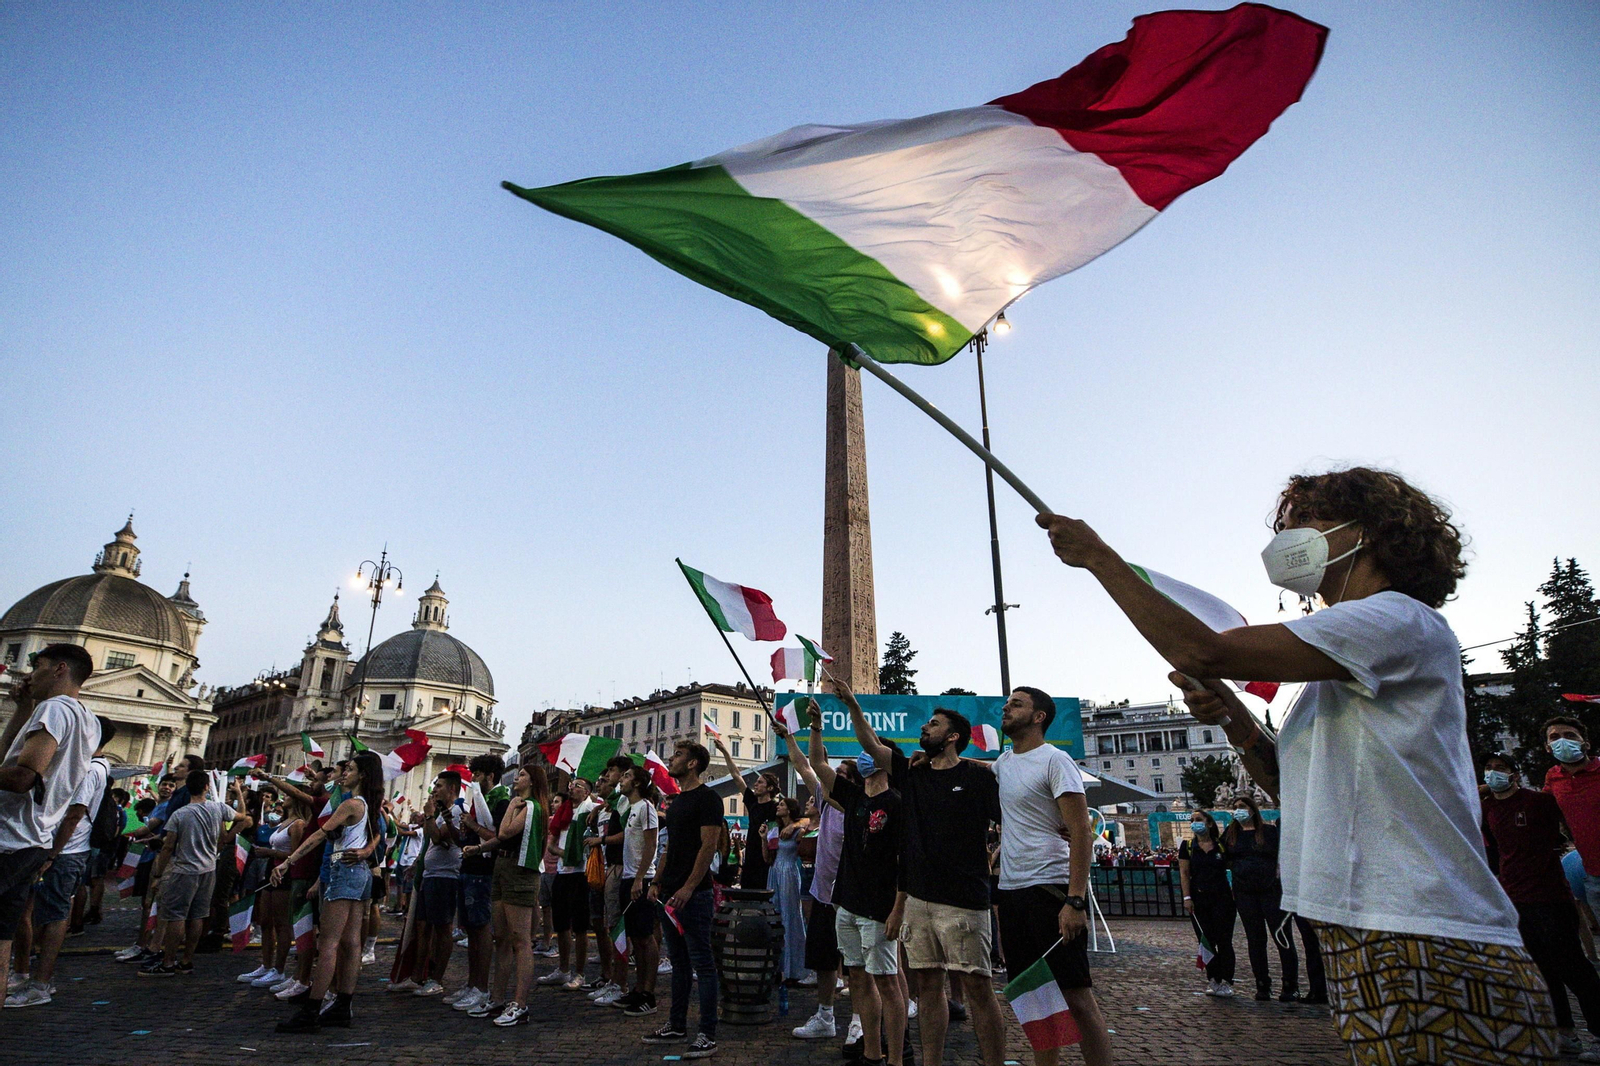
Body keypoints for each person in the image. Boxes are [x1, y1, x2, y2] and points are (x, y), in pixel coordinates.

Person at [1039, 466, 1556, 1063]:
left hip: (1423, 924)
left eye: (1301, 523)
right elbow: (1287, 783)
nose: (1284, 539)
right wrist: (1230, 712)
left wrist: (1102, 559)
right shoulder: (1340, 663)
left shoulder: (1395, 617)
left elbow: (1203, 648)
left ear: (1369, 530)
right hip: (1365, 923)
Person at [839, 676, 1005, 1066]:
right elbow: (870, 745)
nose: (924, 728)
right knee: (928, 987)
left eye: (933, 724)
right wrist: (852, 705)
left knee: (979, 988)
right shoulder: (913, 774)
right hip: (918, 898)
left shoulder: (978, 777)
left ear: (952, 737)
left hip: (964, 900)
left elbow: (1008, 819)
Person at [990, 687, 1113, 1066]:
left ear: (1039, 716)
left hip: (1051, 888)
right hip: (1012, 890)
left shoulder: (1056, 761)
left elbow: (1081, 831)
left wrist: (1075, 900)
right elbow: (981, 769)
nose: (1006, 708)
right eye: (1008, 703)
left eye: (1017, 704)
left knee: (1076, 995)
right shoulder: (1004, 762)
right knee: (1034, 996)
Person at [807, 699, 907, 1066]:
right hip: (846, 902)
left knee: (888, 983)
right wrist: (816, 728)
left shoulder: (897, 803)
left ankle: (895, 1057)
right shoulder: (851, 797)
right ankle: (872, 1052)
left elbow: (905, 862)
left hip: (879, 907)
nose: (863, 756)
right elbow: (818, 764)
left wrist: (898, 908)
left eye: (871, 749)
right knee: (858, 980)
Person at [1482, 752, 1600, 1061]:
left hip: (1549, 897)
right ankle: (1564, 1032)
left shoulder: (1539, 803)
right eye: (1489, 769)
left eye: (1501, 768)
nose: (1494, 774)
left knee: (1573, 968)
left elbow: (1567, 828)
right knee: (1541, 971)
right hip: (1516, 899)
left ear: (1515, 773)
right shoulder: (1488, 807)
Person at [4, 715, 114, 1007]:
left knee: (52, 915)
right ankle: (25, 971)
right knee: (31, 910)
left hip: (64, 852)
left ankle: (40, 983)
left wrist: (52, 854)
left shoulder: (90, 769)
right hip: (57, 849)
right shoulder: (95, 766)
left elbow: (74, 814)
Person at [270, 751, 383, 1031]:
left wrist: (288, 861)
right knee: (351, 941)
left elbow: (319, 834)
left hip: (343, 869)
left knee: (329, 942)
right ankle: (343, 1005)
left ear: (362, 775)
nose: (344, 772)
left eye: (351, 769)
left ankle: (312, 1009)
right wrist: (369, 849)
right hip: (359, 873)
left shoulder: (351, 804)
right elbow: (379, 832)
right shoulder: (369, 804)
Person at [644, 740, 723, 1059]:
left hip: (694, 894)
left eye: (677, 755)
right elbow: (669, 847)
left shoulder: (708, 799)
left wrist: (689, 887)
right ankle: (676, 1024)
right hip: (668, 892)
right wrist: (658, 881)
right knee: (679, 962)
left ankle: (707, 1033)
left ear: (692, 764)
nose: (671, 759)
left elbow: (708, 847)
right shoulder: (675, 803)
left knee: (703, 963)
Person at [776, 710, 848, 1043]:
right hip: (823, 892)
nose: (830, 777)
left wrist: (815, 728)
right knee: (823, 958)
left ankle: (862, 1019)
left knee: (861, 965)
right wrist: (790, 736)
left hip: (852, 894)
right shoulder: (825, 800)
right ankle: (826, 1015)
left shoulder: (859, 807)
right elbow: (806, 764)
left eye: (841, 774)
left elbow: (814, 763)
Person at [140, 770, 252, 977]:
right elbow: (243, 817)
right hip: (208, 870)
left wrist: (157, 875)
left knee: (176, 917)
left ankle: (168, 962)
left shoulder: (180, 814)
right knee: (198, 916)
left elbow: (167, 847)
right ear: (207, 787)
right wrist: (238, 795)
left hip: (184, 870)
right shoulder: (217, 808)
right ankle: (186, 961)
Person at [476, 761, 549, 1026]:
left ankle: (520, 1003)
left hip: (520, 869)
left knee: (520, 939)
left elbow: (505, 832)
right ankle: (497, 998)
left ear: (532, 782)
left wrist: (510, 806)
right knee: (501, 937)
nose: (516, 779)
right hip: (503, 866)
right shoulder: (522, 805)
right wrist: (477, 849)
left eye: (521, 775)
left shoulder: (530, 807)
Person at [1224, 793, 1301, 1002]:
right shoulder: (1231, 834)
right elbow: (1224, 857)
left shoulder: (1268, 832)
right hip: (1245, 892)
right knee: (1255, 940)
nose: (1238, 810)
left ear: (1252, 809)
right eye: (1235, 806)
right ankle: (1262, 984)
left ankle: (1290, 985)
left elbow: (1283, 853)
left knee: (1281, 937)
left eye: (1242, 806)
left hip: (1271, 890)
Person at [451, 753, 507, 1013]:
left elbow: (498, 837)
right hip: (470, 866)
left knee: (481, 929)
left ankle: (481, 987)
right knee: (471, 930)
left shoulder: (500, 801)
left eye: (477, 774)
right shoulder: (479, 799)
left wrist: (472, 825)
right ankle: (472, 983)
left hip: (484, 870)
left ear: (490, 776)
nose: (472, 779)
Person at [610, 763, 661, 1016]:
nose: (622, 779)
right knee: (635, 937)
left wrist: (641, 878)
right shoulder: (630, 809)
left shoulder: (646, 808)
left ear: (638, 783)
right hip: (629, 877)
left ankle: (648, 993)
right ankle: (639, 988)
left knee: (645, 937)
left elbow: (651, 845)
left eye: (627, 776)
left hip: (641, 878)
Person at [409, 770, 465, 997]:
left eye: (439, 786)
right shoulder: (440, 812)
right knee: (423, 926)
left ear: (451, 789)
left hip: (445, 876)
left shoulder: (456, 811)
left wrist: (430, 816)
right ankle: (418, 975)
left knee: (442, 928)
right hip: (431, 874)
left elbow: (437, 837)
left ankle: (437, 978)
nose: (434, 790)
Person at [541, 775, 595, 990]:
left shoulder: (590, 811)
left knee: (580, 926)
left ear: (587, 792)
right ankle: (563, 969)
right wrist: (567, 853)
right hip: (563, 872)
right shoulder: (562, 813)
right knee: (561, 923)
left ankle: (580, 972)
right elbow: (551, 844)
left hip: (581, 873)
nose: (573, 788)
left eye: (579, 786)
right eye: (572, 785)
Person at [1179, 809, 1235, 995]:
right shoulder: (1187, 846)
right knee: (1206, 941)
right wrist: (1187, 897)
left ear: (1209, 823)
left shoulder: (1221, 845)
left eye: (1199, 819)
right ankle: (1213, 978)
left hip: (1222, 898)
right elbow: (1184, 873)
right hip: (1199, 899)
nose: (1195, 823)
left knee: (1224, 940)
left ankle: (1227, 979)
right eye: (1192, 820)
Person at [713, 735, 777, 890]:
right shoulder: (752, 801)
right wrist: (725, 753)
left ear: (770, 788)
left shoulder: (775, 808)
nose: (756, 784)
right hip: (750, 857)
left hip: (766, 859)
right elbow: (736, 776)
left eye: (760, 782)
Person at [766, 794, 811, 983]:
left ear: (790, 810)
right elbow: (768, 857)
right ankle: (778, 965)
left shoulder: (798, 829)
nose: (778, 807)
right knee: (775, 914)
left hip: (790, 872)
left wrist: (795, 825)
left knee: (791, 916)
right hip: (775, 871)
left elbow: (809, 823)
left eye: (782, 804)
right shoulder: (775, 829)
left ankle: (794, 967)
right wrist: (763, 839)